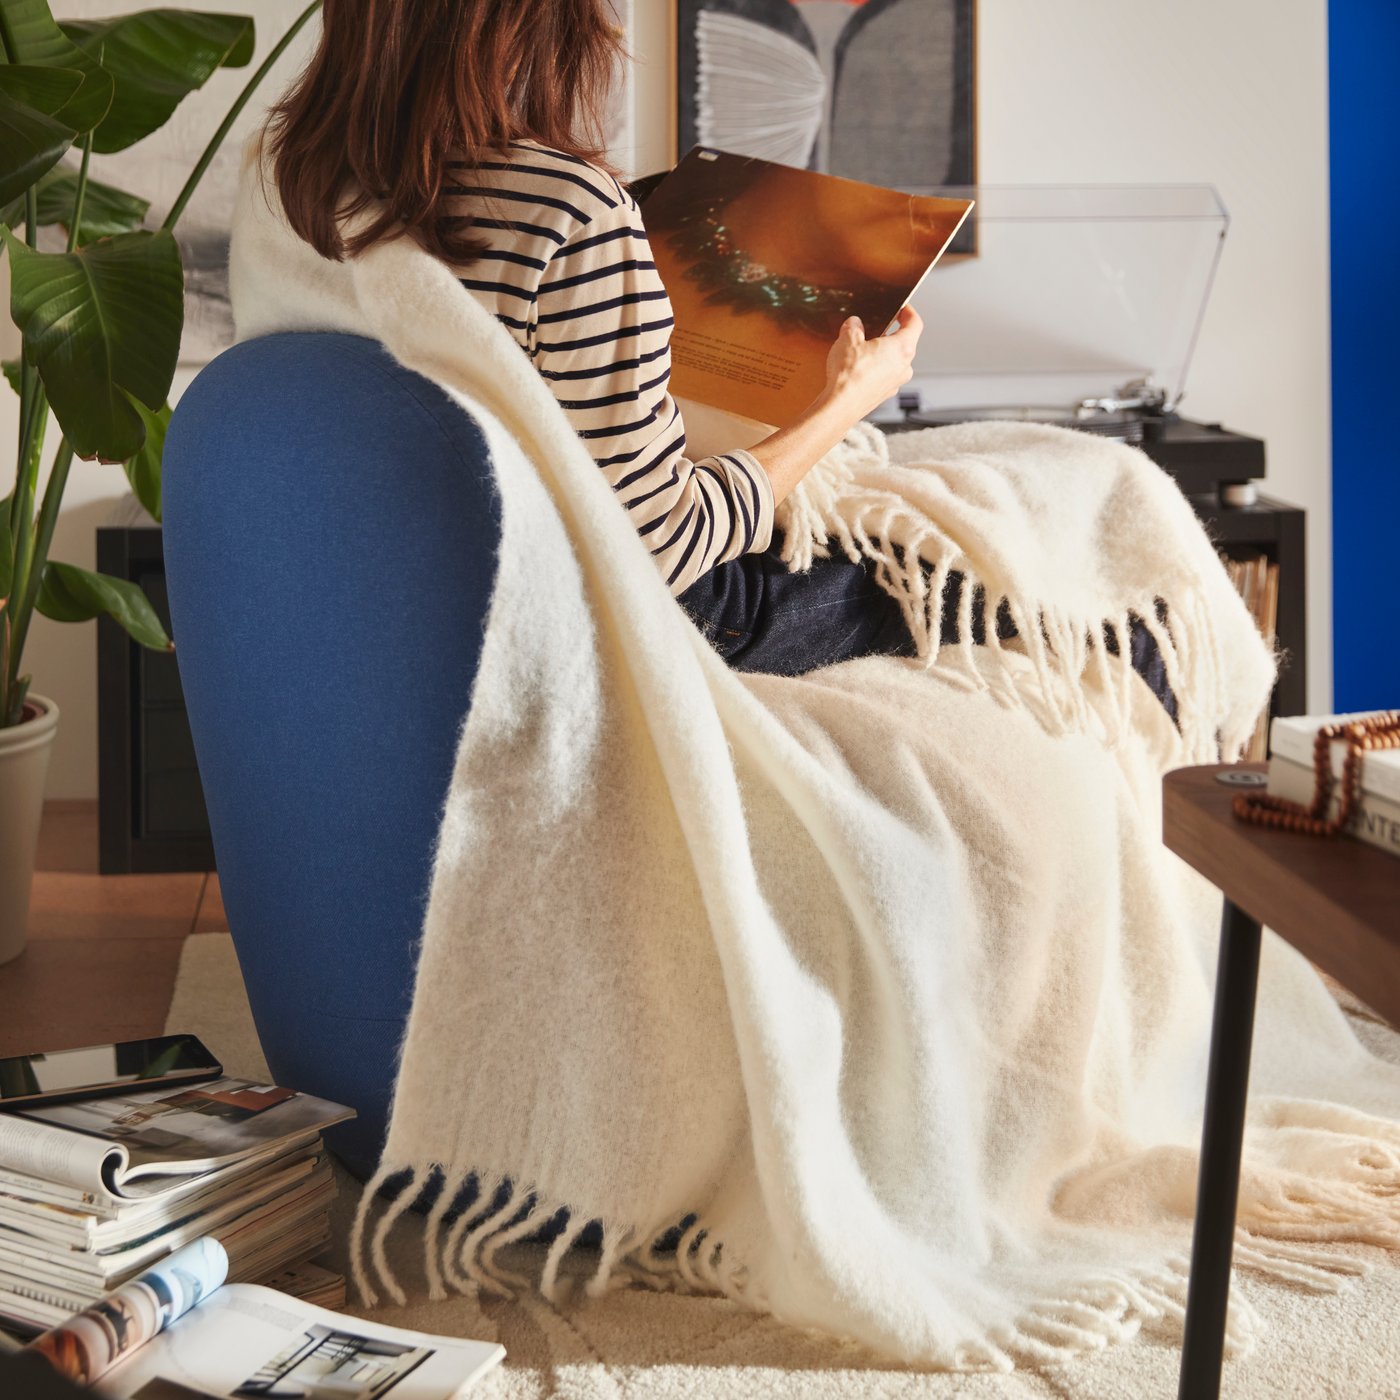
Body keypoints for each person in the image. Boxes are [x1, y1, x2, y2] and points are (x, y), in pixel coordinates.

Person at [262, 0, 1168, 701]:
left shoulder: (301, 179)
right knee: (1104, 590)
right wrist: (845, 399)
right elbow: (664, 549)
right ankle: (1187, 881)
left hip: (426, 595)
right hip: (655, 617)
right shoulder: (570, 211)